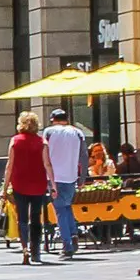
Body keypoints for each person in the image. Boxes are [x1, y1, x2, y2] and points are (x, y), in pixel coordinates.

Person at [42, 108, 87, 259]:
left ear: (53, 120)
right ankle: (73, 235)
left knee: (60, 211)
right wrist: (82, 178)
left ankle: (67, 245)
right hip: (71, 176)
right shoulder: (78, 132)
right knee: (67, 207)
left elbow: (44, 155)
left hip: (54, 177)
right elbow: (84, 156)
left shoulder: (48, 132)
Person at [7, 111, 51, 265]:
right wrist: (53, 184)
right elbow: (47, 164)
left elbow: (9, 166)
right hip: (38, 183)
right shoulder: (42, 142)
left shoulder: (15, 141)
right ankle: (36, 251)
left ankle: (24, 247)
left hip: (19, 183)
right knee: (36, 217)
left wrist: (4, 187)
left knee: (22, 218)